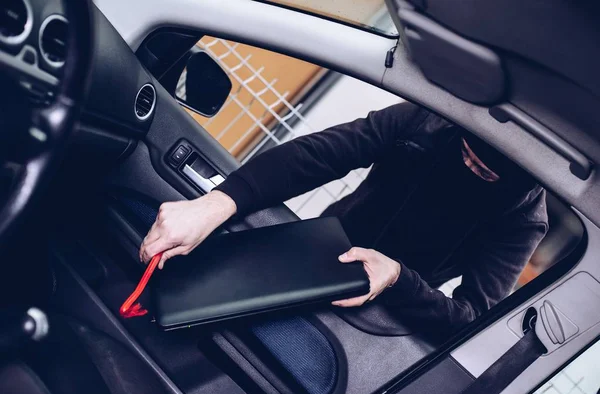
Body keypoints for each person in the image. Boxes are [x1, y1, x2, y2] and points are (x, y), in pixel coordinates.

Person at [139, 102, 548, 334]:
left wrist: (397, 278)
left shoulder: (523, 219)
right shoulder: (427, 121)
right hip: (320, 248)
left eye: (484, 172)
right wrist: (217, 203)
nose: (469, 167)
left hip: (387, 306)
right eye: (465, 154)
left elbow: (472, 316)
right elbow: (317, 155)